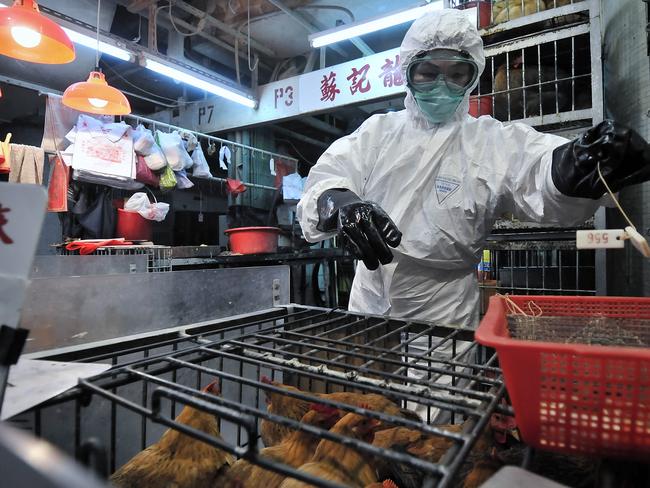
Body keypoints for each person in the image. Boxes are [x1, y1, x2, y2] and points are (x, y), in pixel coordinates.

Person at [297, 9, 650, 328]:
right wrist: (339, 202)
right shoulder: (378, 134)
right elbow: (327, 179)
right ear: (408, 73)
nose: (441, 85)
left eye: (457, 74)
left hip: (443, 309)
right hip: (369, 300)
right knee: (366, 396)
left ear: (472, 77)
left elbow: (535, 167)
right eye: (428, 72)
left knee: (434, 399)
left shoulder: (488, 142)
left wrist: (572, 164)